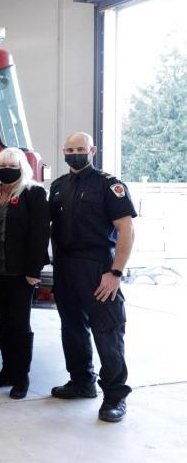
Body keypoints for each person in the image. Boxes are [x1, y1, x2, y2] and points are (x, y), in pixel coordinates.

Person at [49, 132, 136, 423]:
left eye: (80, 149)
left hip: (98, 265)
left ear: (93, 150)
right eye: (70, 149)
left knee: (107, 330)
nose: (75, 153)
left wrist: (116, 272)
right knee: (71, 326)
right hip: (65, 265)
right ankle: (81, 382)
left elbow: (126, 230)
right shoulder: (59, 186)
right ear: (63, 152)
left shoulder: (109, 185)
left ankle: (114, 396)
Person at [0, 147, 49, 399]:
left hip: (21, 272)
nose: (6, 169)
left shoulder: (33, 192)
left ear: (22, 167)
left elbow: (40, 234)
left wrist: (34, 271)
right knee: (1, 323)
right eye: (2, 165)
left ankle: (21, 378)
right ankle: (7, 371)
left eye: (12, 164)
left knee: (19, 325)